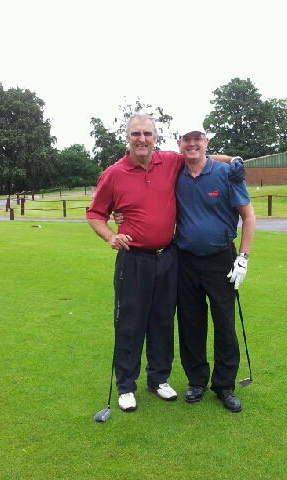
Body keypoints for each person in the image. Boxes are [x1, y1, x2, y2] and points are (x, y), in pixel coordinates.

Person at [86, 114, 244, 413]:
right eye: (136, 134)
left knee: (162, 321)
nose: (142, 139)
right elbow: (95, 213)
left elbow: (198, 153)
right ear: (127, 137)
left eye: (147, 133)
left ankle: (158, 379)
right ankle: (126, 385)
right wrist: (110, 235)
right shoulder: (114, 173)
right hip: (134, 259)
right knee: (131, 322)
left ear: (155, 137)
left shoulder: (169, 161)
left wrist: (234, 159)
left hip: (169, 257)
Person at [174, 125, 255, 413]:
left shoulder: (227, 174)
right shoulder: (174, 171)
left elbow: (248, 216)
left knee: (224, 323)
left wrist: (243, 257)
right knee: (190, 323)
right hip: (185, 260)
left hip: (221, 258)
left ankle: (224, 385)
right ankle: (197, 381)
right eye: (187, 139)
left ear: (206, 141)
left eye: (198, 138)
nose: (192, 143)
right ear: (179, 143)